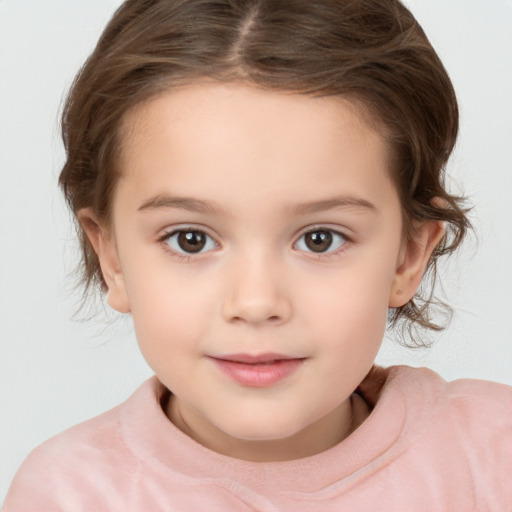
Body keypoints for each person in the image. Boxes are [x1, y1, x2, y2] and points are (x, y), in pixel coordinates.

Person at [4, 0, 511, 510]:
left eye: (319, 239)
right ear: (111, 256)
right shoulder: (68, 495)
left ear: (409, 255)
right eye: (191, 239)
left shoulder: (493, 456)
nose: (255, 302)